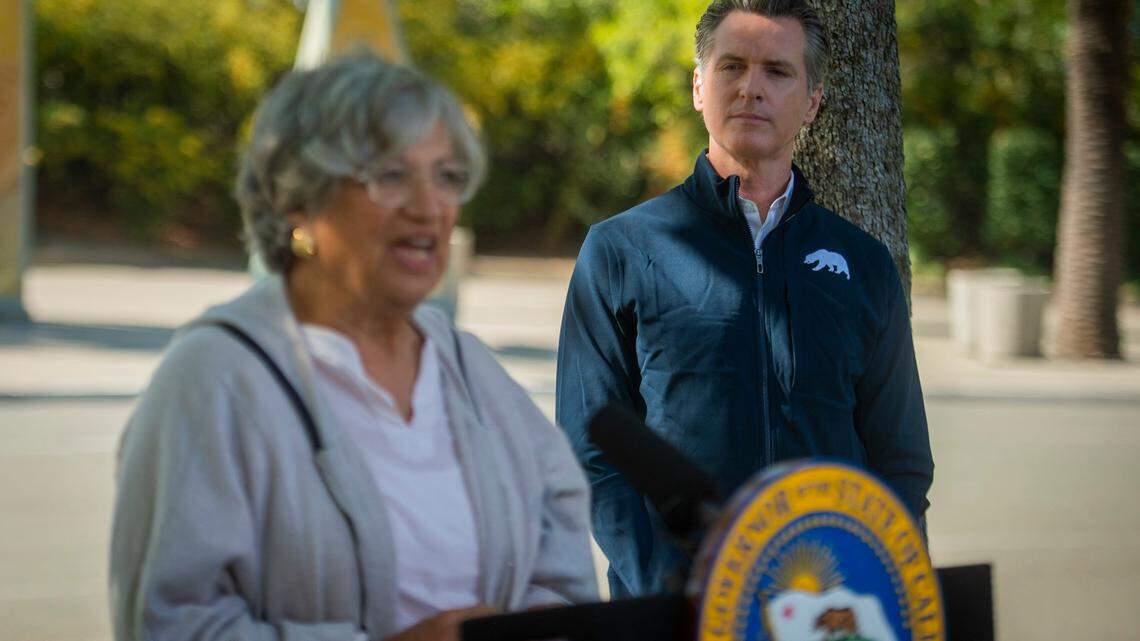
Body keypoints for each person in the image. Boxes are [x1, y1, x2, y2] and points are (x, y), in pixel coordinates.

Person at [110, 52, 597, 641]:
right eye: (389, 176)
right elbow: (172, 623)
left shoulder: (469, 370)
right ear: (298, 200)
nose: (427, 207)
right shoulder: (216, 377)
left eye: (445, 176)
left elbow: (561, 562)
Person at [556, 0, 934, 598]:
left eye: (778, 71)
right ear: (699, 87)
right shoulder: (620, 250)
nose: (751, 88)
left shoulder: (862, 264)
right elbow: (591, 445)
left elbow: (901, 458)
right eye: (732, 66)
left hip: (827, 605)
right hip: (673, 607)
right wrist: (667, 584)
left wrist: (861, 580)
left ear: (811, 103)